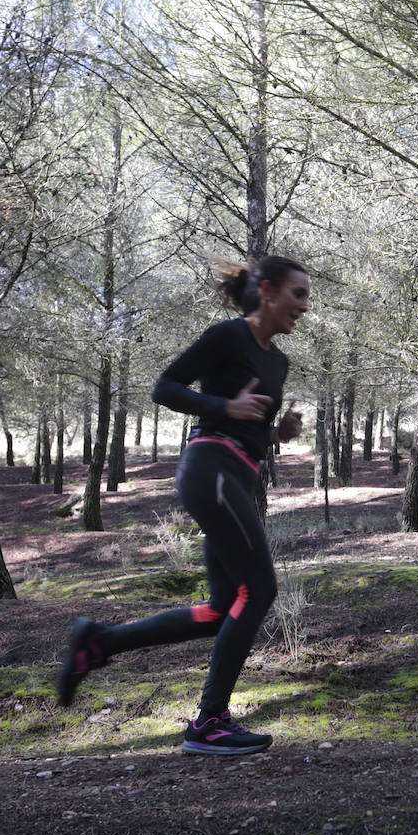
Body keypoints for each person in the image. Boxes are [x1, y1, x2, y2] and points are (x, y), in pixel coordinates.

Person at [56, 255, 310, 756]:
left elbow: (251, 423)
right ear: (267, 292)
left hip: (239, 475)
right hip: (210, 467)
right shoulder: (226, 336)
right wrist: (223, 407)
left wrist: (276, 432)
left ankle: (99, 643)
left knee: (222, 610)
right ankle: (209, 721)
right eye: (298, 294)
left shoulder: (277, 361)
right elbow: (165, 387)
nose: (306, 305)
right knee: (258, 590)